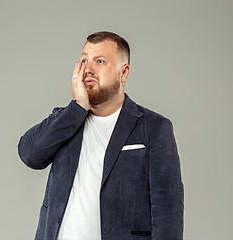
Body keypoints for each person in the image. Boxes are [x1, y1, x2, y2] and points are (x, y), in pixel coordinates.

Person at [18, 31, 184, 240]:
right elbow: (30, 155)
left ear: (123, 73)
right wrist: (77, 108)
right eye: (84, 60)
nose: (88, 69)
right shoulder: (67, 120)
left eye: (100, 61)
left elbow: (167, 211)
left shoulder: (154, 128)